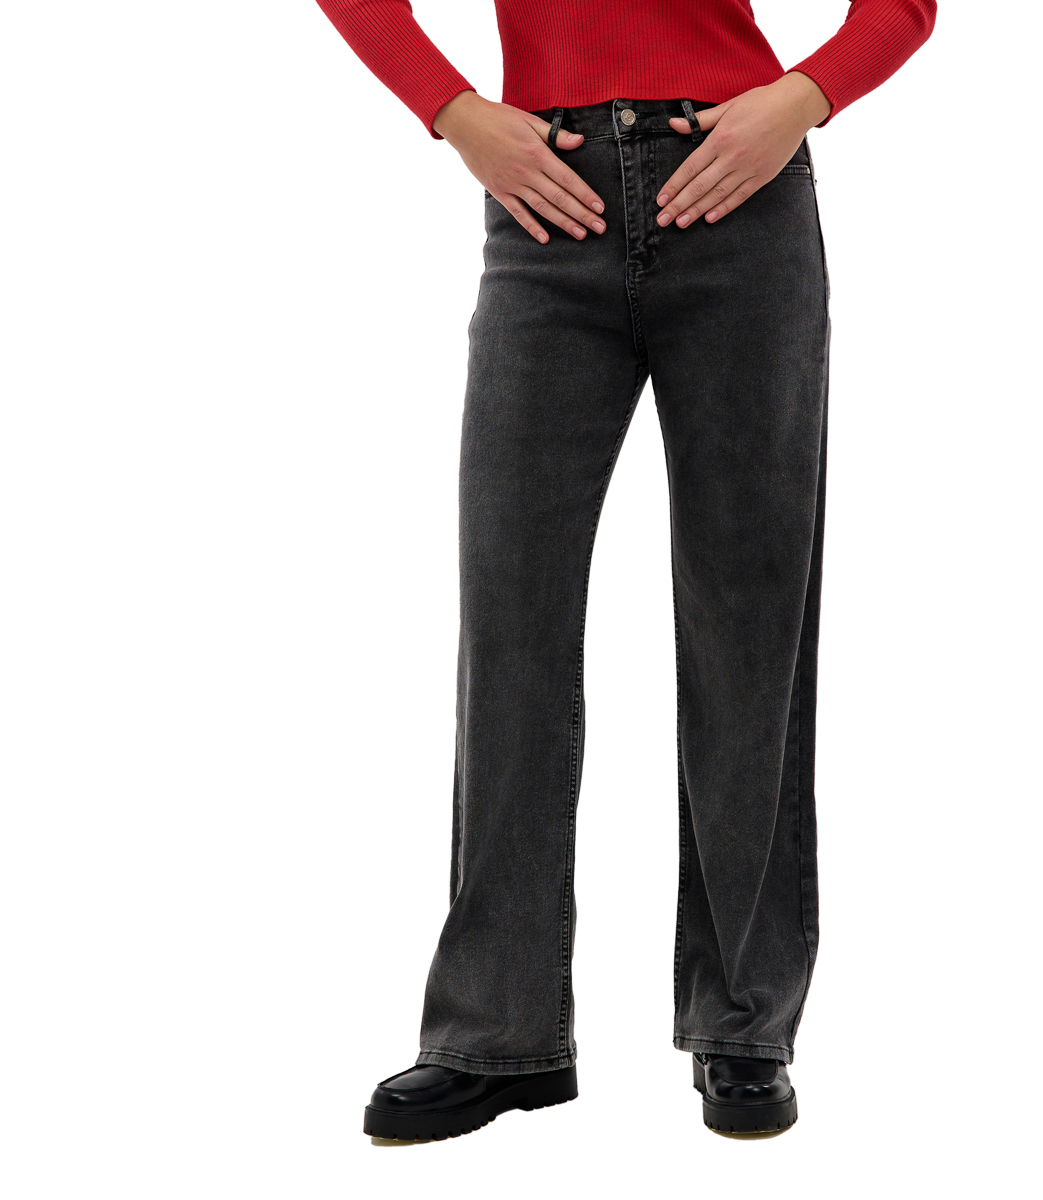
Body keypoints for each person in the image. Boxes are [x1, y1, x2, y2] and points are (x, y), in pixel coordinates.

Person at [314, 0, 936, 1140]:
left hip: (741, 196)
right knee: (511, 619)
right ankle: (497, 1034)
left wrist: (801, 100)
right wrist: (455, 114)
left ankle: (744, 1024)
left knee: (750, 622)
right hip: (546, 205)